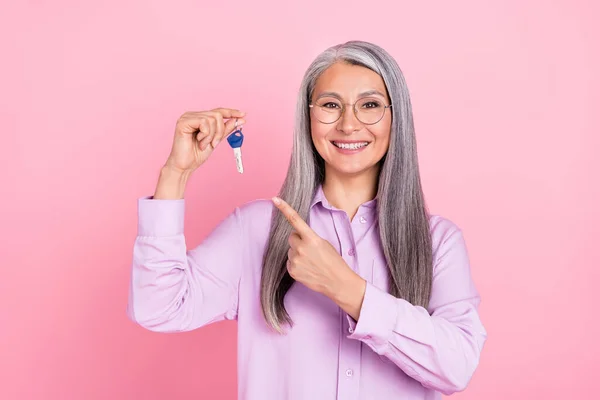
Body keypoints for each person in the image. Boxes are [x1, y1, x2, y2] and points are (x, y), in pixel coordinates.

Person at [126, 40, 487, 400]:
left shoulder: (438, 241)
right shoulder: (255, 230)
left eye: (370, 105)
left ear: (397, 118)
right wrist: (176, 173)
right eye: (331, 105)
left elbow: (457, 367)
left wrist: (347, 289)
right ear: (309, 117)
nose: (349, 124)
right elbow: (158, 308)